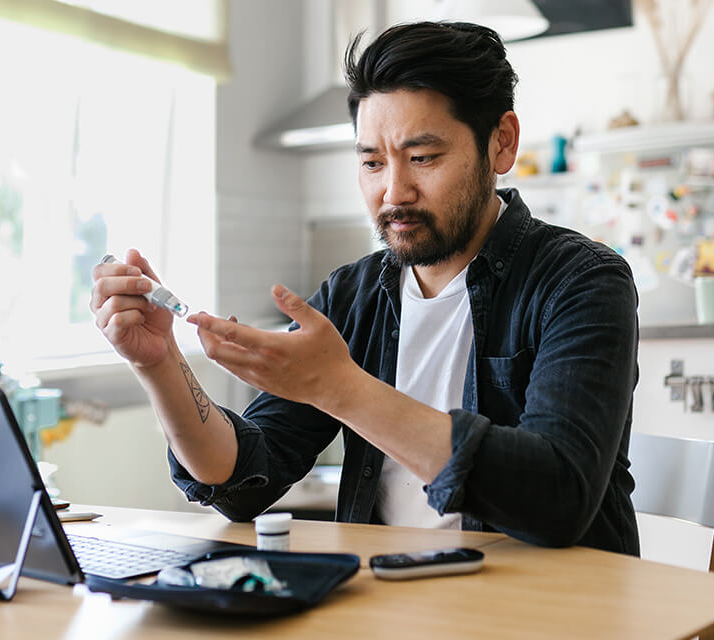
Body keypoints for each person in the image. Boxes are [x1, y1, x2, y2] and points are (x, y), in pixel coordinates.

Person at [89, 21, 640, 554]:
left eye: (423, 158)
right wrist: (159, 364)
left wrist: (340, 388)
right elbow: (241, 479)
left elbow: (558, 497)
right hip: (387, 604)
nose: (393, 192)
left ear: (501, 142)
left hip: (547, 613)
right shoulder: (353, 297)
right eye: (372, 162)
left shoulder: (581, 280)